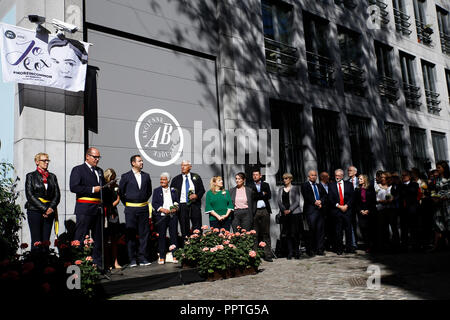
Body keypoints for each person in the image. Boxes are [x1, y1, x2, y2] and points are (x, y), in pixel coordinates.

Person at [69, 147, 104, 268]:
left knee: (98, 238)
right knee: (81, 236)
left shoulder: (99, 171)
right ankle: (78, 265)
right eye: (95, 157)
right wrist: (92, 189)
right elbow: (74, 187)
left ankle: (97, 265)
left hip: (97, 208)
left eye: (99, 157)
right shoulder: (78, 170)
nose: (97, 160)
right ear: (87, 156)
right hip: (84, 207)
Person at [119, 155, 152, 267]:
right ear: (133, 163)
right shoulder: (126, 176)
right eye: (139, 161)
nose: (142, 163)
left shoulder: (146, 176)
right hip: (131, 209)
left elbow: (149, 192)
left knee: (144, 234)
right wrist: (129, 204)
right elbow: (121, 192)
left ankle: (143, 257)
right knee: (131, 234)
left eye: (142, 161)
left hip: (143, 208)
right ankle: (132, 259)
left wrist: (141, 201)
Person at [25, 153, 60, 254]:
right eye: (44, 160)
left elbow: (57, 195)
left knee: (46, 241)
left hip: (50, 211)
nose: (46, 162)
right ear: (37, 162)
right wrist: (44, 208)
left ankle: (46, 265)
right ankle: (34, 265)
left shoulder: (52, 177)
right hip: (34, 211)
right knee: (36, 241)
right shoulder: (31, 176)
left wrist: (50, 208)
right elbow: (30, 195)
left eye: (48, 160)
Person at [170, 160, 205, 241]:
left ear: (190, 167)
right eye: (182, 165)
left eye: (185, 165)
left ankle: (197, 246)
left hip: (194, 205)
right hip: (182, 205)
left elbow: (202, 190)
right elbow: (172, 194)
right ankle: (186, 246)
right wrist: (175, 205)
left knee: (197, 226)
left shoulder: (196, 177)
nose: (182, 167)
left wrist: (196, 195)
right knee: (184, 226)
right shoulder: (176, 179)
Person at [151, 172, 180, 265]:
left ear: (168, 180)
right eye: (161, 179)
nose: (162, 181)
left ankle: (175, 255)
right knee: (162, 236)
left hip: (172, 217)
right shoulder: (156, 190)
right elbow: (154, 203)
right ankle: (162, 256)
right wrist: (162, 209)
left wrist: (175, 208)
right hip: (162, 217)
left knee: (174, 236)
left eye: (164, 179)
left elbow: (176, 201)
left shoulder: (173, 190)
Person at [300, 170, 327, 256]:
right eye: (312, 175)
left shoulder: (319, 185)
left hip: (320, 211)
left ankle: (320, 249)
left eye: (315, 175)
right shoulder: (305, 185)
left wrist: (320, 201)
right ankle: (311, 250)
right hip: (310, 211)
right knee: (311, 231)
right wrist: (315, 202)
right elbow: (307, 196)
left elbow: (325, 195)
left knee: (320, 231)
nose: (314, 177)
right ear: (308, 176)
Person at [328, 169, 354, 255]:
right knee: (338, 231)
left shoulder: (349, 185)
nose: (337, 177)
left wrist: (346, 206)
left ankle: (349, 248)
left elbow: (352, 197)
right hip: (337, 211)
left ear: (342, 176)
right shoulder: (331, 185)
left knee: (348, 230)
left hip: (347, 210)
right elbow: (330, 198)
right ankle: (339, 249)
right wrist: (338, 206)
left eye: (339, 175)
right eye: (336, 175)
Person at [276, 173, 302, 259]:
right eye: (284, 178)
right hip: (285, 215)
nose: (285, 180)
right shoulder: (280, 189)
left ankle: (297, 252)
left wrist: (290, 210)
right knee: (287, 234)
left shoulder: (295, 188)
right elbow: (279, 201)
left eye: (286, 178)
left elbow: (297, 201)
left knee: (295, 233)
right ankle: (290, 252)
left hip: (294, 214)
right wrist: (284, 210)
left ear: (291, 179)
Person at [249, 168, 273, 262]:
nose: (255, 176)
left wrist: (259, 194)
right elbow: (252, 197)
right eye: (253, 175)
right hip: (255, 211)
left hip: (265, 211)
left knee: (266, 233)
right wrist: (262, 194)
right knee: (255, 234)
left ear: (260, 176)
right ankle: (255, 255)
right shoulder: (249, 186)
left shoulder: (265, 184)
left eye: (256, 174)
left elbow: (269, 196)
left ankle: (268, 254)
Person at [352, 174, 377, 253]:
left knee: (371, 229)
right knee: (363, 229)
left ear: (365, 180)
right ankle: (367, 246)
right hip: (361, 213)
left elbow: (373, 200)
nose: (359, 180)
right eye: (358, 179)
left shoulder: (370, 188)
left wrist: (368, 210)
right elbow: (355, 202)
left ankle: (373, 245)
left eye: (361, 179)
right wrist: (361, 210)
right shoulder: (357, 190)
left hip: (370, 212)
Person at [375, 171, 399, 252]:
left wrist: (392, 199)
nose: (381, 179)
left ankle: (396, 246)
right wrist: (380, 201)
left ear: (387, 178)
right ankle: (384, 246)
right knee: (383, 228)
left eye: (383, 177)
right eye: (381, 177)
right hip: (381, 210)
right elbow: (375, 197)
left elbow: (397, 196)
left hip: (391, 209)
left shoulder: (392, 186)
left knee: (394, 228)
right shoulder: (377, 187)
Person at [103, 168, 121, 270]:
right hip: (106, 214)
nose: (113, 181)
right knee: (106, 240)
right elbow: (107, 203)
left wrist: (118, 194)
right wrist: (116, 201)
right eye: (111, 179)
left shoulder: (116, 187)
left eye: (114, 179)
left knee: (114, 239)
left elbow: (119, 197)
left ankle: (115, 261)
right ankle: (107, 263)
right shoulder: (105, 188)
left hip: (114, 214)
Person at [430, 161, 450, 251]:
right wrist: (434, 196)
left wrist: (446, 196)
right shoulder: (436, 179)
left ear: (444, 168)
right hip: (438, 204)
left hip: (447, 204)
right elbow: (434, 190)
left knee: (448, 222)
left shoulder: (449, 178)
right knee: (438, 223)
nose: (437, 169)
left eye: (439, 167)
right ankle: (439, 245)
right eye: (437, 167)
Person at [399, 170, 421, 252]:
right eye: (402, 175)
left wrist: (405, 190)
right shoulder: (400, 186)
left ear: (409, 176)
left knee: (414, 228)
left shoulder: (414, 184)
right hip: (403, 210)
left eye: (405, 175)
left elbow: (413, 191)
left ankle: (416, 246)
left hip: (412, 210)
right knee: (404, 229)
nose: (403, 177)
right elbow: (399, 193)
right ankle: (404, 246)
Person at [347, 166, 358, 250]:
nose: (348, 172)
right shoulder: (347, 182)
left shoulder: (360, 180)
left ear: (355, 172)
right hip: (350, 207)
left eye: (350, 170)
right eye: (348, 170)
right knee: (351, 225)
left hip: (360, 207)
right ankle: (354, 244)